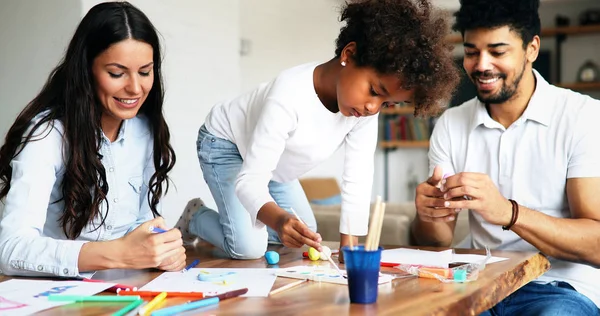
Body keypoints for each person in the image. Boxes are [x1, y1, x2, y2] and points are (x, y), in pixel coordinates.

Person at [175, 0, 459, 260]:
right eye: (374, 91)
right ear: (349, 53)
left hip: (274, 166)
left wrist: (350, 245)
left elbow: (358, 179)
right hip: (226, 144)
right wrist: (277, 220)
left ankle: (246, 229)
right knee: (248, 248)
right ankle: (195, 217)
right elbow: (250, 181)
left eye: (386, 103)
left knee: (305, 233)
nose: (374, 107)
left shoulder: (363, 113)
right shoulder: (288, 95)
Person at [412, 0, 600, 314]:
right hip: (479, 285)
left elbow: (596, 245)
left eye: (498, 52)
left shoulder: (583, 117)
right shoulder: (450, 124)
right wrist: (428, 215)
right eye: (472, 52)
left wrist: (508, 212)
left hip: (559, 289)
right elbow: (437, 241)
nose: (481, 65)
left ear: (532, 49)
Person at [0, 1, 185, 277]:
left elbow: (142, 222)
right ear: (86, 69)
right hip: (58, 297)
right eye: (116, 73)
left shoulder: (145, 129)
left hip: (124, 289)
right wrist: (119, 253)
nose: (135, 88)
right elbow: (9, 249)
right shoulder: (48, 135)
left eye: (145, 72)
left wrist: (160, 248)